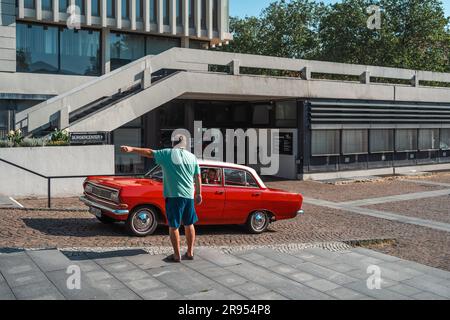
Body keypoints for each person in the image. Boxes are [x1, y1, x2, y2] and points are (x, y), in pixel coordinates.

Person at [120, 134, 202, 263]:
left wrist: (131, 149)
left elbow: (149, 152)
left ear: (172, 143)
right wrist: (198, 193)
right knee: (189, 223)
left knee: (174, 225)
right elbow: (197, 177)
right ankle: (190, 252)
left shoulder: (167, 154)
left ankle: (176, 255)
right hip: (189, 195)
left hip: (174, 195)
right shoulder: (192, 157)